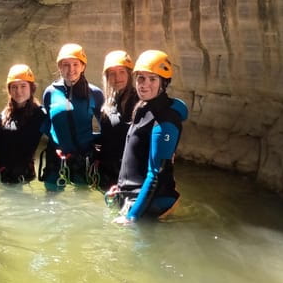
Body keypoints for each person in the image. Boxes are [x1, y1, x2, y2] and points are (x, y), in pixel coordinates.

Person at [107, 50, 188, 222]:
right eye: (141, 78)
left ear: (163, 83)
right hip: (135, 198)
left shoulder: (165, 120)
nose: (144, 84)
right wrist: (122, 188)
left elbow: (156, 174)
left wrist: (131, 217)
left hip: (149, 205)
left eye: (152, 79)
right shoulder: (144, 108)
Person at [41, 43, 105, 189]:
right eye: (66, 65)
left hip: (83, 157)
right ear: (59, 67)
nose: (71, 69)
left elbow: (99, 124)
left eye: (75, 64)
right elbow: (48, 122)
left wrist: (96, 148)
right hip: (57, 157)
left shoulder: (95, 94)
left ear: (83, 66)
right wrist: (55, 144)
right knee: (51, 199)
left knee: (81, 202)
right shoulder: (50, 92)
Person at [0, 64, 47, 183]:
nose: (18, 91)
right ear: (9, 90)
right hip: (1, 176)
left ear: (31, 88)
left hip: (23, 177)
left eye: (23, 86)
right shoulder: (4, 115)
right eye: (14, 87)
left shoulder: (40, 115)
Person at [95, 50, 137, 190]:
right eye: (112, 73)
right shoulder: (110, 102)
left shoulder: (138, 102)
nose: (117, 77)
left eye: (121, 72)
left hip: (127, 175)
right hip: (107, 172)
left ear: (130, 74)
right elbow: (108, 136)